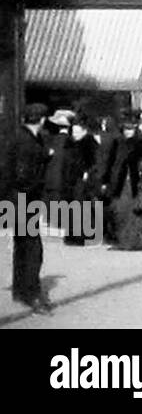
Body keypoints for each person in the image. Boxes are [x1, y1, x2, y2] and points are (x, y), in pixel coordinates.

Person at [4, 104, 55, 313]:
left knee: (22, 246)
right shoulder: (28, 142)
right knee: (34, 250)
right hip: (25, 199)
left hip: (14, 199)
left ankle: (20, 290)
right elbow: (24, 173)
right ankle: (32, 294)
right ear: (41, 120)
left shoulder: (18, 137)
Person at [103, 108, 142, 251]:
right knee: (119, 212)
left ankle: (135, 242)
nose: (128, 131)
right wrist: (105, 180)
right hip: (118, 183)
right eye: (126, 128)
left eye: (131, 128)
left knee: (135, 214)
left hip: (135, 183)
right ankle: (120, 241)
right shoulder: (117, 143)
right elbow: (109, 162)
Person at [60, 112, 100, 246]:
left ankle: (84, 235)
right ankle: (72, 235)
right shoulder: (69, 143)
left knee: (82, 207)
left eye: (77, 132)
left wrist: (88, 173)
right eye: (73, 131)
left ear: (84, 131)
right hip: (70, 180)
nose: (75, 134)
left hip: (83, 181)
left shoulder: (90, 143)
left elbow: (95, 163)